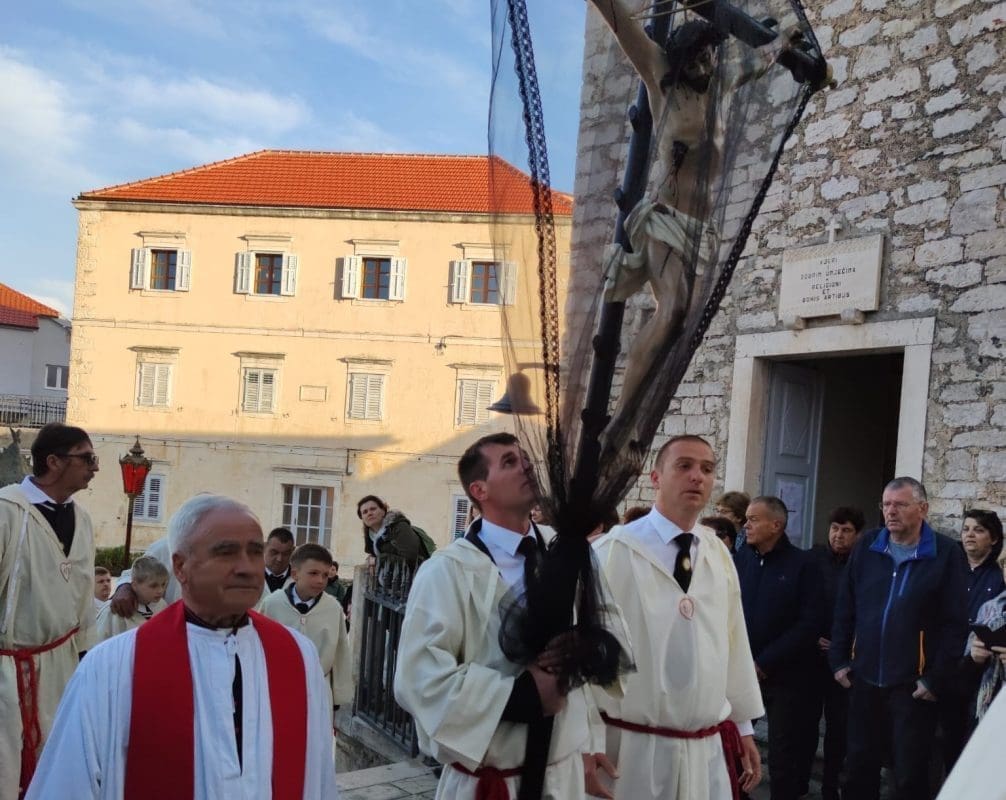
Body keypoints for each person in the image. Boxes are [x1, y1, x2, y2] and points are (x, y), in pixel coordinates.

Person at [25, 494, 338, 799]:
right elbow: (67, 784)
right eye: (226, 552)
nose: (246, 567)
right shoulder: (113, 666)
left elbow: (319, 776)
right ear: (180, 566)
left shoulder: (298, 656)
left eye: (255, 552)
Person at [587, 0, 792, 453]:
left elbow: (764, 57)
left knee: (683, 325)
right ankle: (619, 423)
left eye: (709, 56)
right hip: (664, 219)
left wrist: (788, 43)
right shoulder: (663, 82)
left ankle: (638, 417)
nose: (704, 65)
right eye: (696, 58)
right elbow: (623, 26)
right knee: (673, 307)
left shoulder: (722, 86)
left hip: (702, 234)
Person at [394, 432, 624, 799]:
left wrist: (585, 650)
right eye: (509, 462)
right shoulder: (446, 571)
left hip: (560, 776)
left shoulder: (566, 550)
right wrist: (522, 695)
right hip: (490, 781)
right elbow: (419, 678)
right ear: (479, 490)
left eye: (526, 460)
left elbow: (609, 624)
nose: (527, 467)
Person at [591, 435, 764, 800]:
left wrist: (743, 725)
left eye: (707, 469)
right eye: (684, 466)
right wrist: (584, 740)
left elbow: (732, 642)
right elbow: (586, 654)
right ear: (655, 477)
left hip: (703, 751)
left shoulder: (717, 554)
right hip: (629, 749)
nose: (697, 477)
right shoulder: (612, 551)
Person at [830, 477, 968, 800]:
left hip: (912, 686)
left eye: (900, 505)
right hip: (863, 679)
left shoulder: (946, 554)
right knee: (858, 770)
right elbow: (846, 605)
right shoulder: (867, 546)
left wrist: (934, 679)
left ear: (923, 509)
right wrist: (838, 659)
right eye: (886, 504)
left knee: (909, 776)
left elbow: (955, 624)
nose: (890, 512)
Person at [0, 422, 98, 800]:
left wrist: (85, 663)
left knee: (59, 772)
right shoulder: (8, 511)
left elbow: (84, 595)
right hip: (8, 671)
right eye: (86, 458)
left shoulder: (83, 519)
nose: (95, 467)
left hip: (63, 668)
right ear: (54, 462)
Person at [735, 496, 823, 800]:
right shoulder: (741, 560)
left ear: (776, 525)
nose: (746, 525)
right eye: (746, 518)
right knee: (735, 746)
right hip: (743, 672)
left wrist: (766, 662)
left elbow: (810, 622)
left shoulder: (804, 565)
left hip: (788, 677)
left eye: (754, 519)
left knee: (784, 754)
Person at [804, 506, 864, 800]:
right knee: (804, 724)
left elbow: (862, 611)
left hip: (843, 660)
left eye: (847, 530)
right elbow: (802, 602)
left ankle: (831, 787)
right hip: (811, 657)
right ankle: (799, 784)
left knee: (839, 729)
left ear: (858, 534)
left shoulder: (863, 563)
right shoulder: (813, 559)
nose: (838, 536)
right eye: (835, 529)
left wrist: (841, 645)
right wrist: (813, 637)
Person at [940, 509, 1005, 770]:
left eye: (978, 530)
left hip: (983, 672)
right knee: (947, 742)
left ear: (993, 538)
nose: (969, 535)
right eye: (966, 529)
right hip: (947, 664)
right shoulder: (948, 568)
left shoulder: (999, 576)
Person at [260, 543, 354, 716]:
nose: (320, 580)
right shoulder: (272, 604)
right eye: (313, 573)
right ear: (295, 574)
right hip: (276, 689)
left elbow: (341, 652)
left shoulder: (333, 608)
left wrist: (338, 696)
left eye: (325, 575)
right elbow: (257, 648)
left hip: (318, 691)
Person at [963, 542, 1006, 729]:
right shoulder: (990, 609)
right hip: (987, 705)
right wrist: (974, 657)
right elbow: (964, 672)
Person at [95, 556, 168, 641]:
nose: (160, 591)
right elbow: (98, 644)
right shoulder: (113, 610)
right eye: (153, 586)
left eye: (163, 585)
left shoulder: (163, 606)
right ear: (135, 585)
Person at [358, 495, 422, 565]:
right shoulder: (371, 536)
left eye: (373, 509)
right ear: (362, 518)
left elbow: (410, 558)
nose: (369, 513)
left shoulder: (399, 526)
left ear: (383, 511)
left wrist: (377, 561)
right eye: (365, 512)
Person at [263, 527, 295, 594]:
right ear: (264, 547)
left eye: (285, 554)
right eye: (274, 552)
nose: (279, 559)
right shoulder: (248, 576)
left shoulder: (300, 580)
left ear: (293, 551)